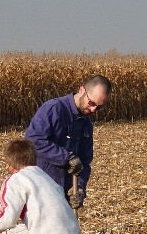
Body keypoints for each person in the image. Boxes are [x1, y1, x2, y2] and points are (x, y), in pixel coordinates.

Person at [25, 75, 112, 209]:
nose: (93, 110)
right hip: (42, 189)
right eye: (92, 103)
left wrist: (79, 188)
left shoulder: (86, 123)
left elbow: (84, 162)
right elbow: (33, 140)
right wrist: (66, 157)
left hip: (63, 196)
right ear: (82, 90)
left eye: (99, 107)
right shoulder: (54, 109)